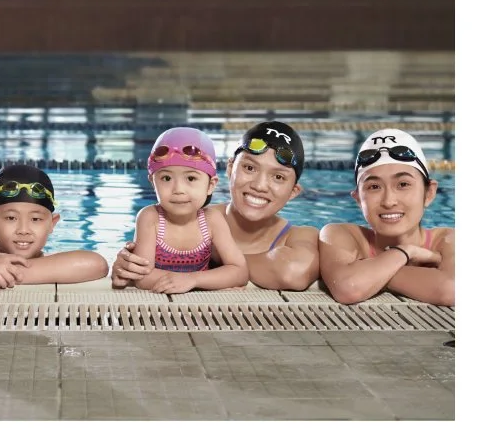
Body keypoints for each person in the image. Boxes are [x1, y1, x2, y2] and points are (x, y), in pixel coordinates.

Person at [115, 121, 319, 290]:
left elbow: (293, 272)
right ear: (230, 169)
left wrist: (214, 262)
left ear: (293, 192)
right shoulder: (188, 215)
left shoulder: (299, 236)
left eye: (278, 177)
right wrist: (129, 268)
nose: (259, 185)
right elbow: (140, 270)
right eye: (249, 167)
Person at [317, 128, 454, 306]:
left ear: (429, 193)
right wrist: (407, 252)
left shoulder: (448, 240)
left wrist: (372, 273)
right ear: (358, 199)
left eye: (403, 184)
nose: (389, 201)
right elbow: (349, 288)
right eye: (374, 187)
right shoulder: (340, 234)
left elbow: (450, 290)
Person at [109, 127, 249, 293]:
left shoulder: (212, 220)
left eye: (190, 178)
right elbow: (143, 277)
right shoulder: (150, 218)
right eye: (166, 178)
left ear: (211, 185)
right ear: (153, 183)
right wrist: (199, 281)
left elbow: (240, 272)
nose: (178, 189)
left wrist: (192, 279)